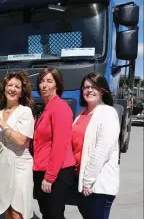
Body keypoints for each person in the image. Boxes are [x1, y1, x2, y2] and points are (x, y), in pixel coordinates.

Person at [0, 71, 35, 219]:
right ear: (4, 88)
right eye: (9, 85)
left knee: (18, 212)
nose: (12, 89)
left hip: (20, 167)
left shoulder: (25, 112)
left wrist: (0, 122)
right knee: (7, 209)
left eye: (17, 87)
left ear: (21, 92)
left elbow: (20, 140)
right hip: (1, 166)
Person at [72, 72, 120, 219]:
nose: (89, 90)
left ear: (103, 90)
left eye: (94, 87)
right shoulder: (82, 113)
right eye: (86, 87)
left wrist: (88, 180)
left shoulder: (108, 113)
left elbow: (102, 150)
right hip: (82, 181)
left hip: (97, 185)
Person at [32, 67, 76, 219]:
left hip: (57, 172)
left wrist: (50, 176)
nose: (44, 85)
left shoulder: (60, 107)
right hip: (41, 168)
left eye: (49, 81)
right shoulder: (45, 108)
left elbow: (60, 145)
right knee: (47, 213)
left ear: (57, 85)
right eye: (42, 81)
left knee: (54, 214)